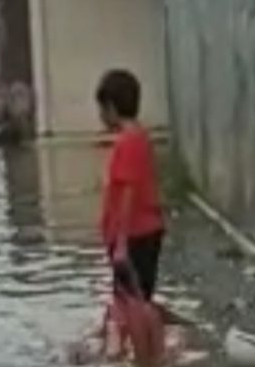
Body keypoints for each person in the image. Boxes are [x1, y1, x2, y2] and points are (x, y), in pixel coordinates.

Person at [96, 70, 166, 364]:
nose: (100, 115)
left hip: (134, 235)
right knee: (141, 301)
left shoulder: (127, 142)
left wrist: (121, 242)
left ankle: (145, 359)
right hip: (146, 231)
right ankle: (154, 356)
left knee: (132, 305)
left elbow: (127, 194)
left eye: (101, 108)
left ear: (111, 106)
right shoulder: (141, 137)